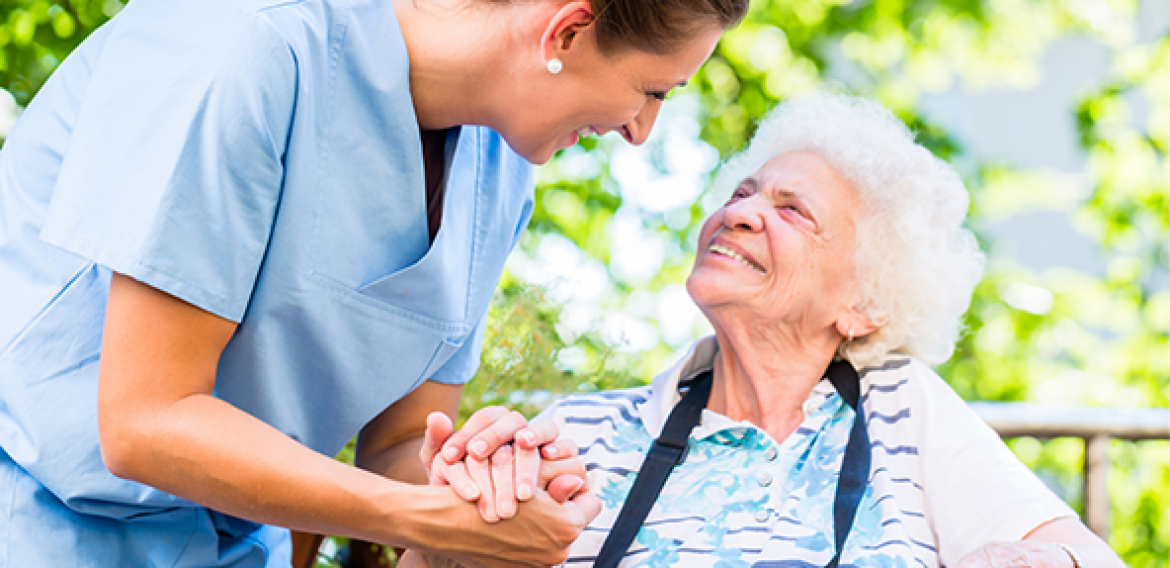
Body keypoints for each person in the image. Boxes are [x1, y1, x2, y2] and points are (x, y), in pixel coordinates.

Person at [0, 0, 749, 564]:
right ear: (567, 30)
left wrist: (486, 484)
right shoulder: (244, 41)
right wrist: (416, 518)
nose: (642, 129)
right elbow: (144, 422)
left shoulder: (499, 172)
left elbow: (393, 444)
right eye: (653, 90)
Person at [418, 91, 1126, 567]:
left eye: (795, 212)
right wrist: (454, 527)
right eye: (741, 193)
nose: (742, 213)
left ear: (863, 304)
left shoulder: (902, 412)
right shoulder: (577, 433)